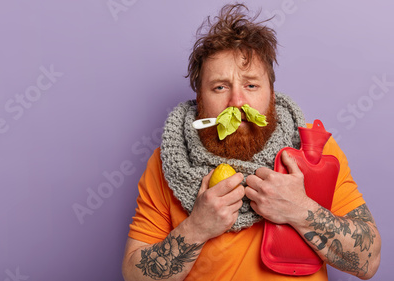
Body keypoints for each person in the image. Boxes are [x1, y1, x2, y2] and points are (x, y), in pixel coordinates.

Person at [122, 3, 381, 281]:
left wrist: (300, 210)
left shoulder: (313, 151)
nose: (237, 102)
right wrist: (197, 227)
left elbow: (368, 262)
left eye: (251, 85)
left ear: (271, 93)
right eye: (220, 87)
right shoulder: (169, 161)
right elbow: (135, 276)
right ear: (200, 99)